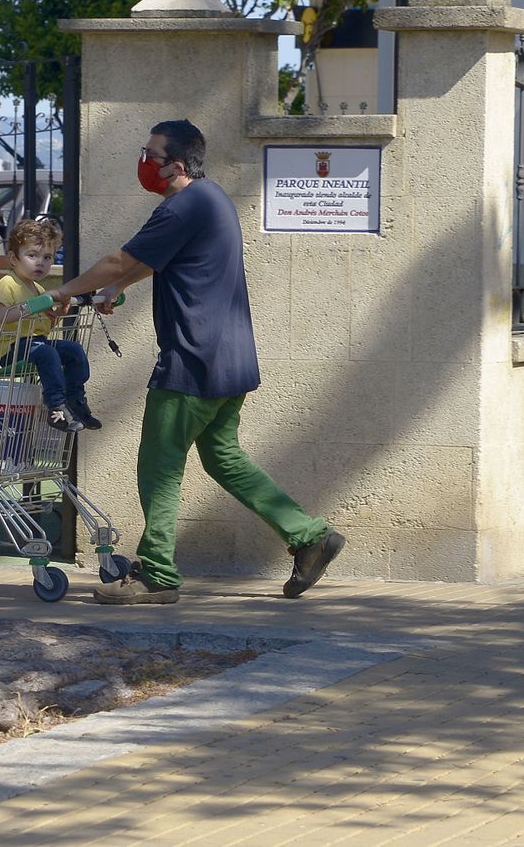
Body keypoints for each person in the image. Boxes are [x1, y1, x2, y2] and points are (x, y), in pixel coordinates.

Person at [46, 119, 344, 603]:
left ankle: (157, 574)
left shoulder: (182, 205)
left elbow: (121, 258)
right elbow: (148, 261)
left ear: (176, 165)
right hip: (231, 362)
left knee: (159, 465)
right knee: (223, 458)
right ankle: (309, 535)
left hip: (192, 360)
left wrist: (64, 290)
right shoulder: (210, 199)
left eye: (150, 154)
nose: (143, 161)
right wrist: (119, 288)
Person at [0, 218, 100, 433]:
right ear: (14, 258)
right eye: (32, 255)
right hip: (11, 348)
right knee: (47, 353)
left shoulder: (39, 288)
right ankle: (56, 406)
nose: (40, 262)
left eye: (47, 257)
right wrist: (29, 308)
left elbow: (43, 326)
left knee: (73, 350)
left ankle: (75, 398)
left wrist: (57, 313)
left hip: (36, 344)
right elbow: (0, 316)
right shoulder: (7, 283)